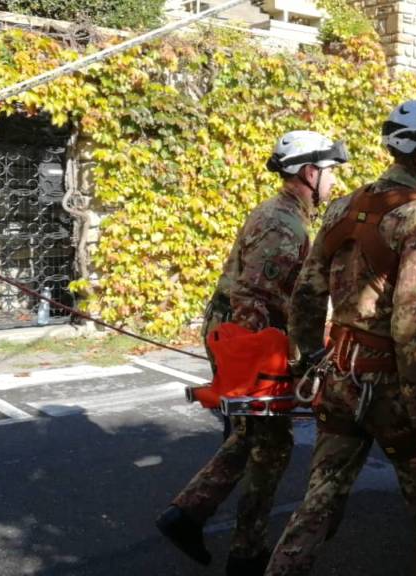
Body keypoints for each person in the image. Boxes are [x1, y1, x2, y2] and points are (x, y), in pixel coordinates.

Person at [265, 100, 416, 576]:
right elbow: (413, 326)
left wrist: (310, 364)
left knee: (318, 503)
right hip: (391, 392)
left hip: (340, 377)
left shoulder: (344, 206)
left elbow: (306, 294)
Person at [155, 130, 348, 576]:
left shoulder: (287, 215)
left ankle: (192, 518)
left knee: (255, 438)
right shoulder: (284, 224)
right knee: (270, 443)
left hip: (244, 333)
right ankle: (242, 549)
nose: (334, 182)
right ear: (310, 173)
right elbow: (253, 295)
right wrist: (265, 362)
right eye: (330, 173)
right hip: (246, 335)